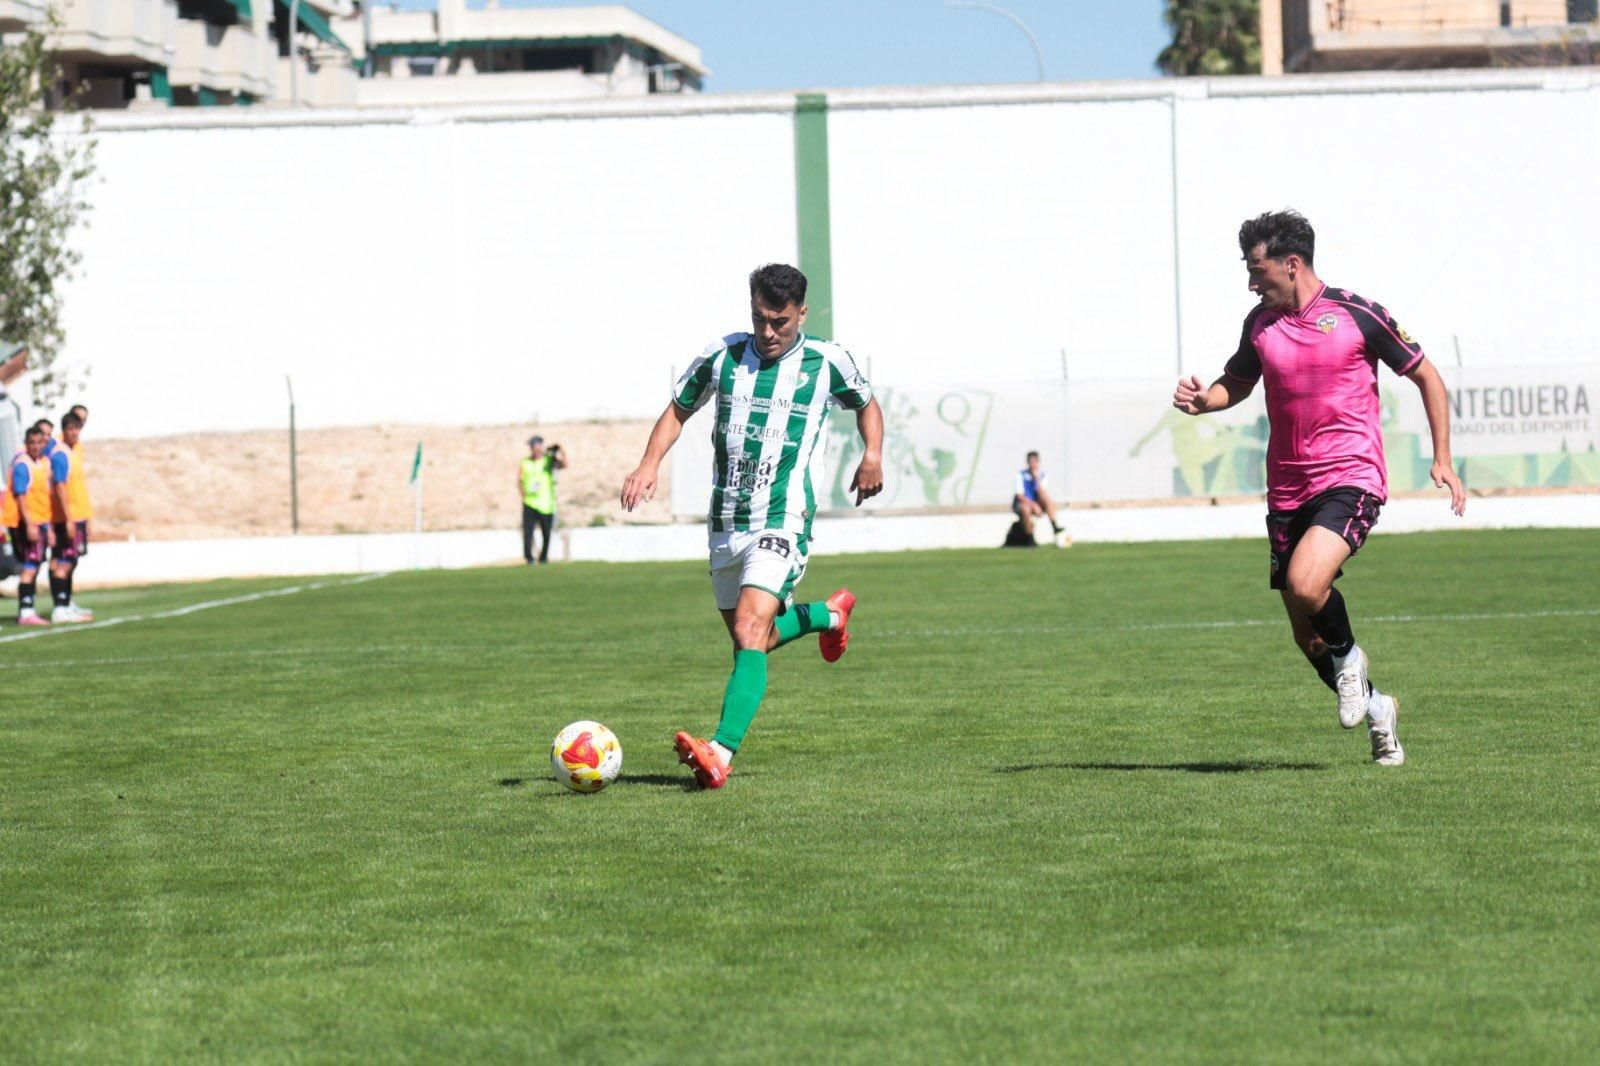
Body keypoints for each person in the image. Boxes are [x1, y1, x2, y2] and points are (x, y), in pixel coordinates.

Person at [1172, 210, 1465, 766]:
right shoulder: (1259, 323)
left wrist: (1443, 458)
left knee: (1309, 584)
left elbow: (1427, 375)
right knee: (1306, 636)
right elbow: (1235, 381)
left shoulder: (1357, 314)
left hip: (1351, 476)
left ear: (1292, 262)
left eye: (1257, 270)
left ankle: (1352, 659)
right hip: (1285, 489)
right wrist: (1203, 400)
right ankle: (1380, 711)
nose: (1252, 282)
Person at [620, 263, 885, 789]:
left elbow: (867, 405)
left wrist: (872, 453)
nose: (768, 332)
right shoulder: (722, 355)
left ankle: (720, 751)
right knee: (754, 642)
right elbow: (678, 409)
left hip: (784, 516)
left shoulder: (826, 361)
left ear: (801, 314)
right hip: (726, 521)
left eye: (780, 322)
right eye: (760, 319)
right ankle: (828, 616)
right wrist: (649, 462)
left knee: (748, 628)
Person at [3, 425, 55, 626]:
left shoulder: (41, 464)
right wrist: (31, 525)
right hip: (26, 523)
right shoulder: (23, 465)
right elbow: (22, 497)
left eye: (39, 442)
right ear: (26, 444)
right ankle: (26, 612)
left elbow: (42, 499)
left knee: (33, 566)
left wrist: (47, 527)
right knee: (29, 567)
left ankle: (28, 610)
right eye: (31, 443)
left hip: (40, 522)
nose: (35, 446)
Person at [47, 411, 93, 622]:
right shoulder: (60, 455)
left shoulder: (74, 451)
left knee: (72, 561)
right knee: (63, 561)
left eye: (77, 428)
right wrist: (68, 519)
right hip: (68, 517)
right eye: (70, 429)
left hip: (80, 515)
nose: (74, 433)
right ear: (63, 430)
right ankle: (60, 607)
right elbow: (60, 487)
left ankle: (67, 603)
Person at [519, 436, 565, 565]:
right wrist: (523, 495)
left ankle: (543, 558)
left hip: (546, 503)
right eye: (533, 446)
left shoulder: (548, 461)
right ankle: (529, 558)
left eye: (537, 446)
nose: (535, 449)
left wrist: (561, 450)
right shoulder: (525, 462)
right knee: (528, 532)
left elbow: (564, 464)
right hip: (529, 502)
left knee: (546, 533)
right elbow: (520, 479)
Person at [1012, 450, 1068, 545]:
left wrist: (1036, 479)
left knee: (1047, 498)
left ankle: (1054, 526)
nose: (1033, 464)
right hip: (1023, 504)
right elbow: (1020, 496)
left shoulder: (1042, 475)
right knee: (1026, 509)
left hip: (1037, 503)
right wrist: (1034, 505)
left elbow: (1042, 494)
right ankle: (1029, 538)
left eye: (1035, 462)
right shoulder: (1020, 475)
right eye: (1031, 462)